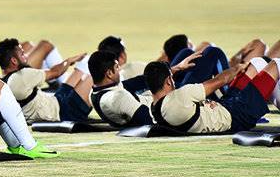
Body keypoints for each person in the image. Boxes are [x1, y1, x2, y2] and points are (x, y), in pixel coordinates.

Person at [144, 58, 280, 134]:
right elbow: (220, 81)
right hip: (237, 114)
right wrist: (236, 68)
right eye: (172, 77)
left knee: (258, 63)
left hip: (226, 107)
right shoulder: (180, 97)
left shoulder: (155, 107)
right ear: (168, 81)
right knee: (276, 64)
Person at [88, 50, 201, 127]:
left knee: (185, 54)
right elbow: (150, 122)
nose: (119, 70)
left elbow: (138, 82)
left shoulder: (96, 93)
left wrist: (177, 68)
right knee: (213, 53)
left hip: (160, 95)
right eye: (117, 67)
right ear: (109, 73)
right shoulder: (117, 98)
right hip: (168, 105)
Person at [0, 38, 92, 124]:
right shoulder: (23, 76)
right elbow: (56, 72)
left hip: (56, 102)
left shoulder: (4, 80)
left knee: (86, 64)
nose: (25, 56)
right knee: (94, 69)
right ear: (14, 61)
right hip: (65, 112)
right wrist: (69, 60)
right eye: (22, 54)